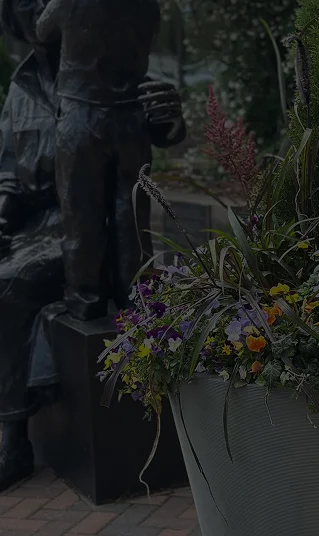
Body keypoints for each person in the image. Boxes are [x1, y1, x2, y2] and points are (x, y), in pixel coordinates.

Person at [0, 0, 186, 490]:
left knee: (11, 281)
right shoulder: (20, 90)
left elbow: (155, 141)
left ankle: (13, 439)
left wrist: (169, 120)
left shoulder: (114, 65)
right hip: (39, 228)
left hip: (87, 228)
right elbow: (8, 175)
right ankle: (18, 427)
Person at [35, 0, 163, 320]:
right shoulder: (148, 4)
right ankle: (135, 299)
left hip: (82, 114)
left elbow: (41, 31)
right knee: (132, 217)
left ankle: (85, 300)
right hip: (130, 117)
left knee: (82, 217)